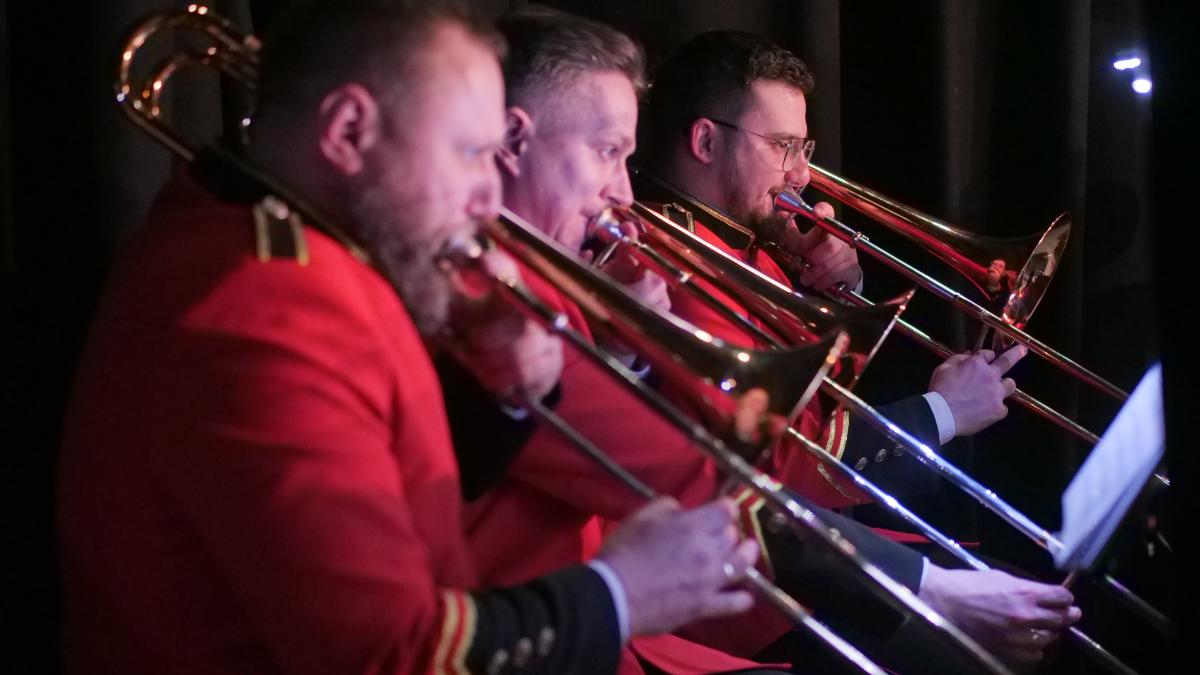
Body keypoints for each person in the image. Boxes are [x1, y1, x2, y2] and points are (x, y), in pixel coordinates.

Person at [56, 3, 763, 673]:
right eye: (470, 153)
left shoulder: (267, 243)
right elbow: (391, 654)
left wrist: (498, 403)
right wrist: (618, 594)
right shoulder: (264, 310)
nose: (488, 199)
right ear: (347, 134)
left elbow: (384, 478)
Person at [465, 8, 1081, 669]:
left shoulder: (746, 250)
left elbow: (798, 418)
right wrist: (941, 417)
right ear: (706, 141)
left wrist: (829, 296)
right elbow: (751, 471)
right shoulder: (632, 269)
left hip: (738, 564)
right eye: (783, 146)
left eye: (802, 149)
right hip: (720, 598)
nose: (803, 176)